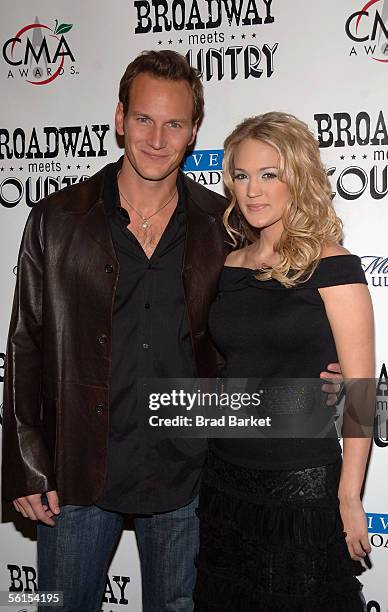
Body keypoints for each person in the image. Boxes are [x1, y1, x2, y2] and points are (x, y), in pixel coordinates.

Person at [1, 52, 342, 611]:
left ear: (193, 133)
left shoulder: (224, 226)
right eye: (143, 119)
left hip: (191, 473)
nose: (157, 138)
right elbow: (26, 344)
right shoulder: (58, 219)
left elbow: (269, 322)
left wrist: (323, 376)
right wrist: (27, 463)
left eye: (175, 124)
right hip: (77, 474)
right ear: (118, 118)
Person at [193, 112, 373, 611]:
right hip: (224, 477)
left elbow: (360, 390)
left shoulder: (333, 265)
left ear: (297, 177)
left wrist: (349, 496)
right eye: (242, 175)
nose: (252, 190)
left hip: (301, 483)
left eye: (268, 174)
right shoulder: (229, 265)